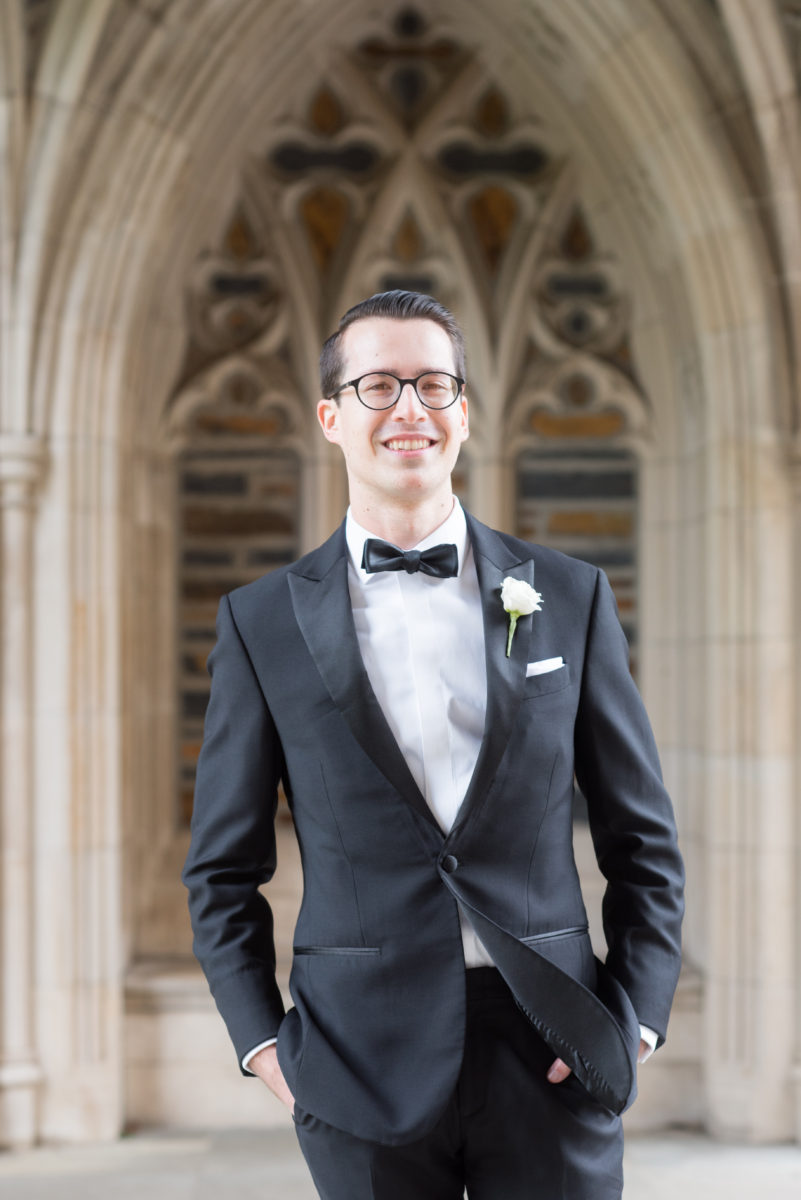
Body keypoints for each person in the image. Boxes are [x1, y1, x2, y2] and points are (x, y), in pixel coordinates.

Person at [182, 290, 684, 1199]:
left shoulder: (569, 596)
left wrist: (634, 1019)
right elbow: (220, 869)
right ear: (331, 418)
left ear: (464, 414)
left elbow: (642, 837)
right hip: (354, 1060)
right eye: (377, 385)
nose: (408, 408)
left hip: (550, 1044)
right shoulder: (259, 624)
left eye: (432, 384)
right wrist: (265, 1046)